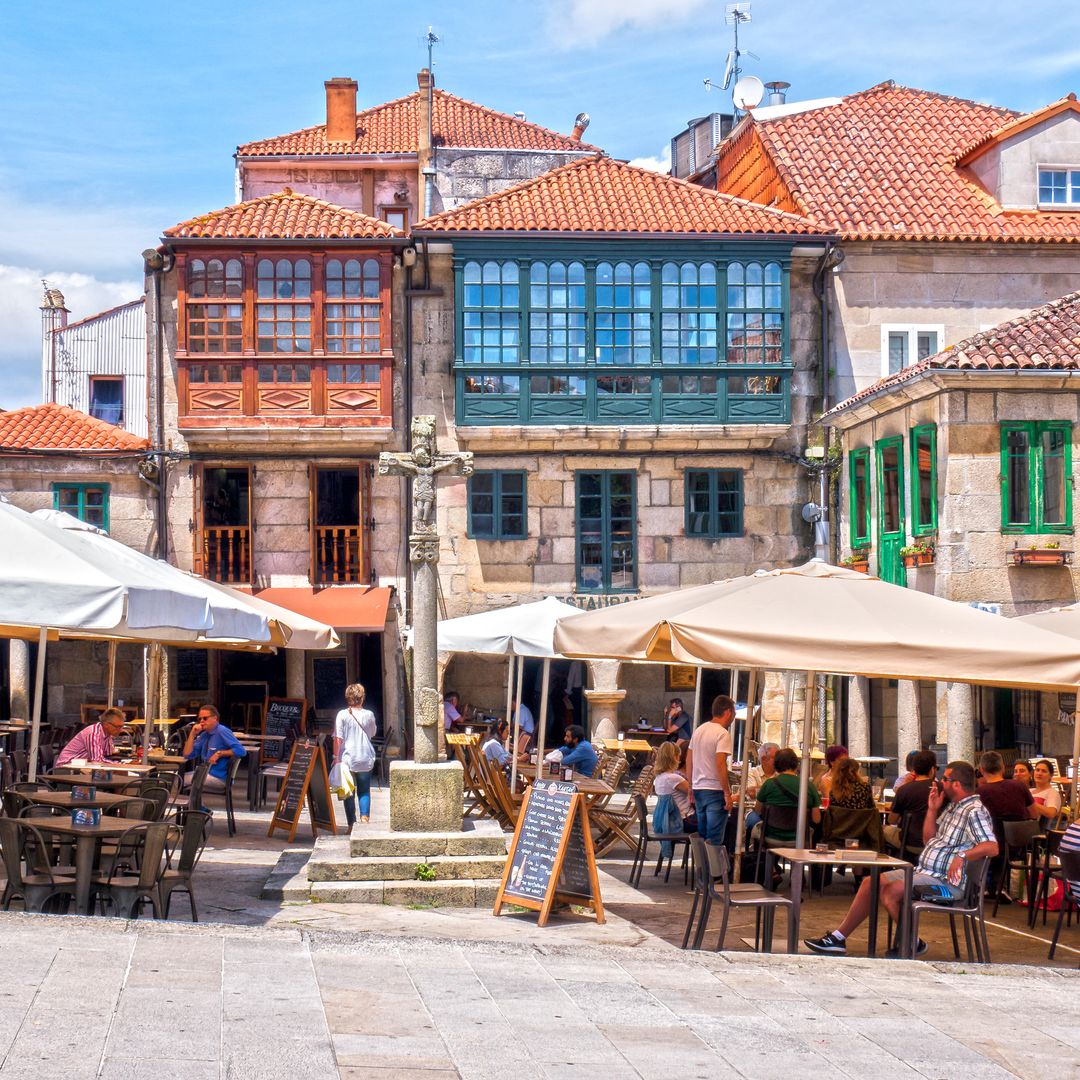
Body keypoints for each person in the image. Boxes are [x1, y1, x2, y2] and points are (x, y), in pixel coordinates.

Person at [804, 760, 998, 958]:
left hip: (947, 883)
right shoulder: (953, 807)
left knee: (892, 892)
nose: (940, 782)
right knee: (870, 882)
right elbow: (928, 840)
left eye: (945, 779)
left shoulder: (974, 811)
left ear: (956, 784)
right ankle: (838, 938)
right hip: (927, 873)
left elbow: (992, 846)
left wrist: (963, 855)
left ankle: (911, 941)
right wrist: (931, 810)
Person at [685, 695, 736, 846]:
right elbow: (720, 764)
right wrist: (727, 793)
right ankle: (712, 870)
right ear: (727, 712)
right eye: (734, 713)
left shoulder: (699, 730)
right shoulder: (722, 733)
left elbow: (689, 760)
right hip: (714, 789)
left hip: (699, 788)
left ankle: (702, 868)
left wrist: (690, 786)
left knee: (703, 834)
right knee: (714, 838)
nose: (733, 717)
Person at [754, 747, 822, 843]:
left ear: (776, 765)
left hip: (772, 837)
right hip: (799, 839)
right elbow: (817, 819)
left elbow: (758, 810)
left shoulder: (769, 784)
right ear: (795, 764)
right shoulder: (808, 786)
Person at [332, 683, 377, 827]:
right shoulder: (369, 714)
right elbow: (373, 733)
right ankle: (364, 821)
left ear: (347, 698)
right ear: (362, 698)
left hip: (348, 758)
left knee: (348, 793)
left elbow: (338, 739)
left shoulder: (342, 715)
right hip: (365, 756)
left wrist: (335, 758)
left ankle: (351, 825)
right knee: (364, 791)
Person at [182, 704, 247, 793]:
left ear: (215, 718)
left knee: (178, 781)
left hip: (218, 777)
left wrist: (220, 753)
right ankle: (195, 806)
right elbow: (187, 755)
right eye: (199, 719)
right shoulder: (204, 735)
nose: (201, 721)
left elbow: (241, 751)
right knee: (179, 778)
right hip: (205, 773)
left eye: (205, 718)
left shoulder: (222, 731)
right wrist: (192, 734)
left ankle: (189, 805)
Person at [883, 749, 937, 850]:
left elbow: (892, 820)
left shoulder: (904, 789)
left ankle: (886, 864)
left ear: (913, 769)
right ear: (932, 770)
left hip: (909, 842)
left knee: (882, 829)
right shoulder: (942, 790)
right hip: (936, 843)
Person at [653, 740, 694, 856]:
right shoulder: (674, 779)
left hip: (666, 823)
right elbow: (696, 794)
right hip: (683, 821)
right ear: (675, 757)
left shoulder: (659, 779)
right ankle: (709, 862)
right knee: (715, 824)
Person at [57, 707, 128, 765]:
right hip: (67, 766)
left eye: (122, 726)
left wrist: (125, 762)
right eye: (117, 727)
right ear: (106, 725)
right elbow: (97, 761)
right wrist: (123, 765)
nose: (121, 730)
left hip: (83, 765)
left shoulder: (107, 734)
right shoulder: (94, 733)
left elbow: (108, 754)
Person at [1031, 759, 1063, 829]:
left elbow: (1051, 813)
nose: (1039, 773)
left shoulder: (1052, 793)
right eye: (1037, 770)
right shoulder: (1029, 791)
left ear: (1050, 775)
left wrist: (1029, 802)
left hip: (1035, 830)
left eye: (1044, 771)